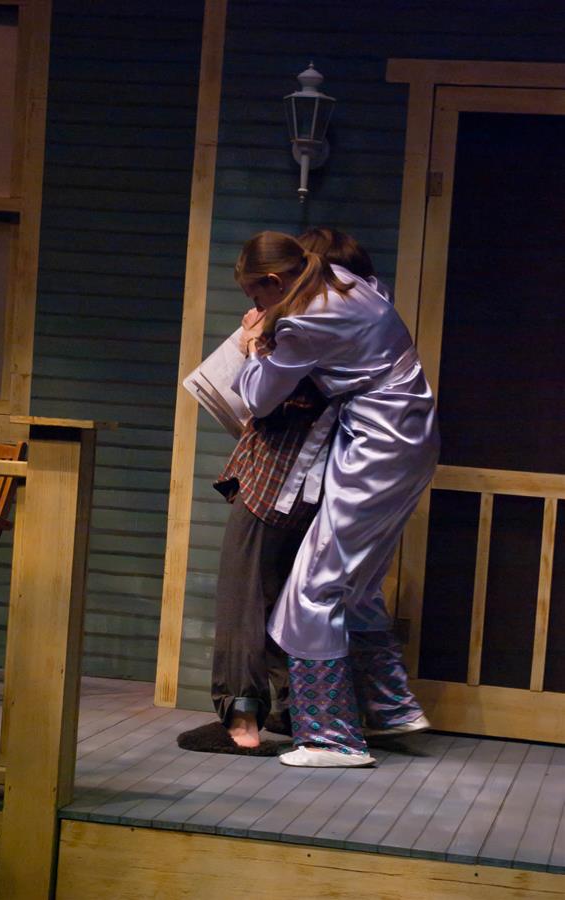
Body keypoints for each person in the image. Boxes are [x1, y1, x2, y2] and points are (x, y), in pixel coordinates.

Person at [233, 231, 439, 767]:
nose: (254, 307)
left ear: (275, 282)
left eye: (256, 296)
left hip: (379, 447)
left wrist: (255, 342)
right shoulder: (348, 281)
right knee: (359, 583)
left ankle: (331, 739)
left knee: (313, 588)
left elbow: (256, 395)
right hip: (410, 437)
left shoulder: (303, 322)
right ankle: (392, 707)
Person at [180, 229, 377, 755]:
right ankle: (301, 713)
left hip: (279, 483)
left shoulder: (306, 329)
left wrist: (251, 346)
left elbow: (271, 403)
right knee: (295, 599)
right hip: (318, 486)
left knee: (243, 596)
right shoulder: (360, 320)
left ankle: (241, 720)